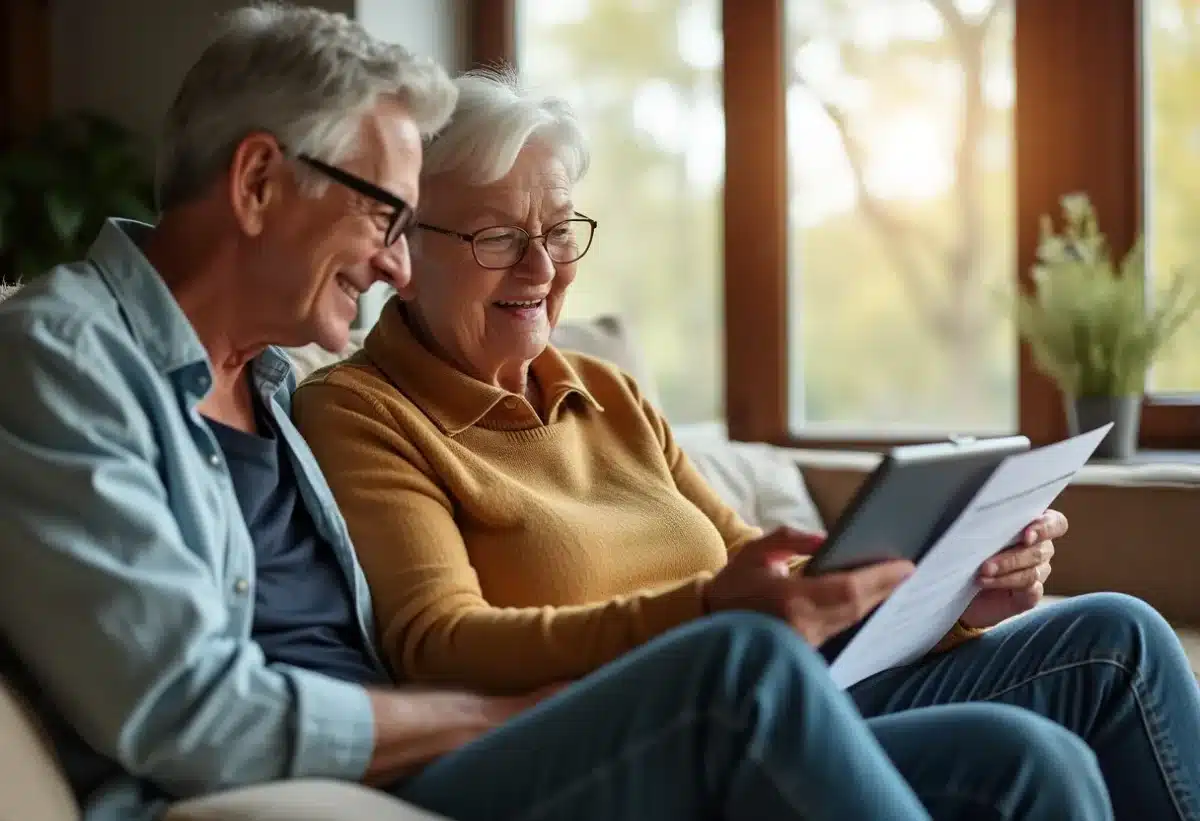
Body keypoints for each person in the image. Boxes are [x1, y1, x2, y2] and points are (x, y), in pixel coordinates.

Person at [0, 4, 1124, 821]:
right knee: (739, 669)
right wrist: (504, 711)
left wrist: (942, 584)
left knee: (1035, 755)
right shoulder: (61, 359)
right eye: (388, 215)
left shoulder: (274, 386)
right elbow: (201, 711)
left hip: (413, 748)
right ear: (256, 185)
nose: (393, 261)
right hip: (349, 770)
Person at [292, 68, 1200, 820]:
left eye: (559, 230)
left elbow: (758, 573)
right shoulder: (362, 409)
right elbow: (438, 641)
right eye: (498, 237)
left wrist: (962, 593)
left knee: (1117, 634)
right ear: (404, 250)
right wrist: (706, 615)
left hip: (788, 688)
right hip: (649, 729)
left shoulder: (607, 391)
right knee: (1022, 759)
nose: (541, 266)